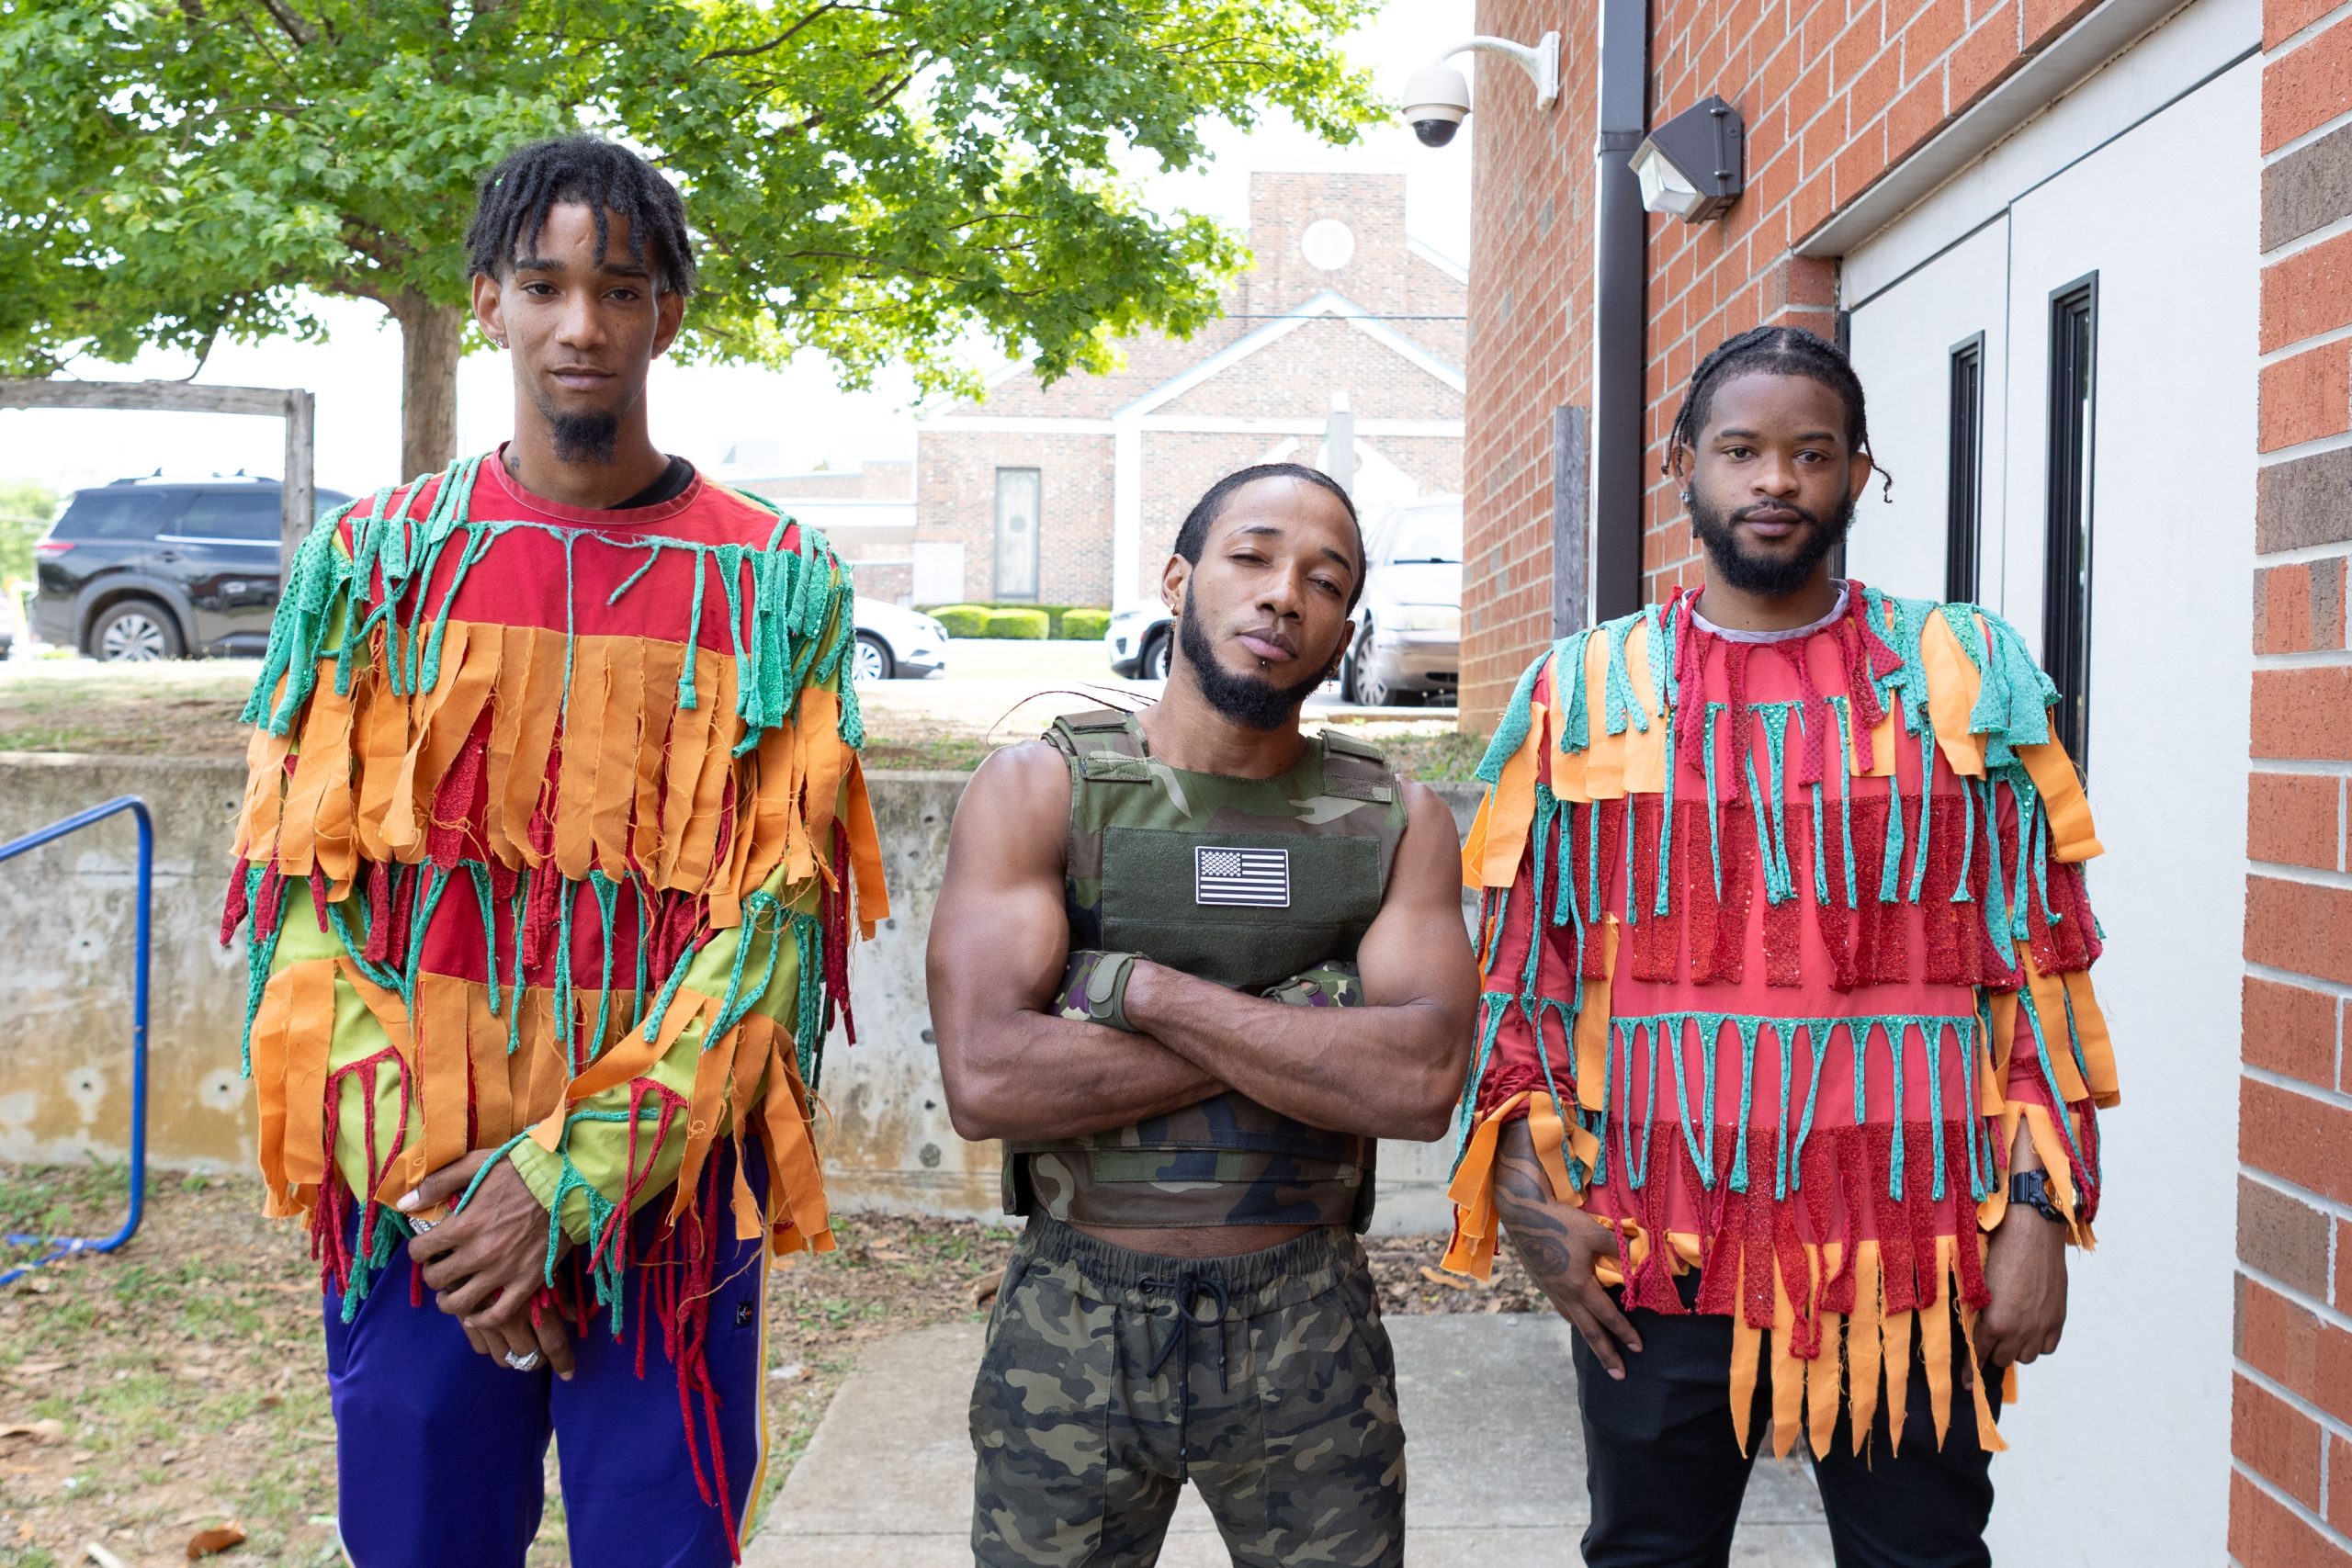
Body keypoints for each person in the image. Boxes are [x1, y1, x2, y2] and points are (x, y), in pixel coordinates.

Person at [219, 134, 888, 1566]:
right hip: (421, 1213)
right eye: (544, 285)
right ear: (488, 302)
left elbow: (772, 928)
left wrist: (565, 1182)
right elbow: (300, 905)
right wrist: (456, 1203)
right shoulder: (373, 563)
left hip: (665, 1208)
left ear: (668, 314)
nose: (582, 323)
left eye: (620, 288)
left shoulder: (778, 584)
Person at [1442, 325, 2118, 1566]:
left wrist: (2037, 1211)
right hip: (1655, 1250)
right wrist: (1534, 1205)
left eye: (1811, 453)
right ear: (1682, 465)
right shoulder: (1587, 687)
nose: (1775, 480)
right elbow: (1524, 975)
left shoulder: (1956, 673)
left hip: (1917, 1253)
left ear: (1858, 472)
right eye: (1741, 449)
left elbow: (2039, 971)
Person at [928, 462, 1480, 1567]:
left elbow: (1420, 1085)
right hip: (1074, 1312)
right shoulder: (1042, 790)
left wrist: (1130, 990)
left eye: (1324, 581)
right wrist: (1313, 1019)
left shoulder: (1395, 820)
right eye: (1252, 557)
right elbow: (987, 1081)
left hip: (1306, 1319)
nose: (1283, 595)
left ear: (1344, 631)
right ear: (1179, 580)